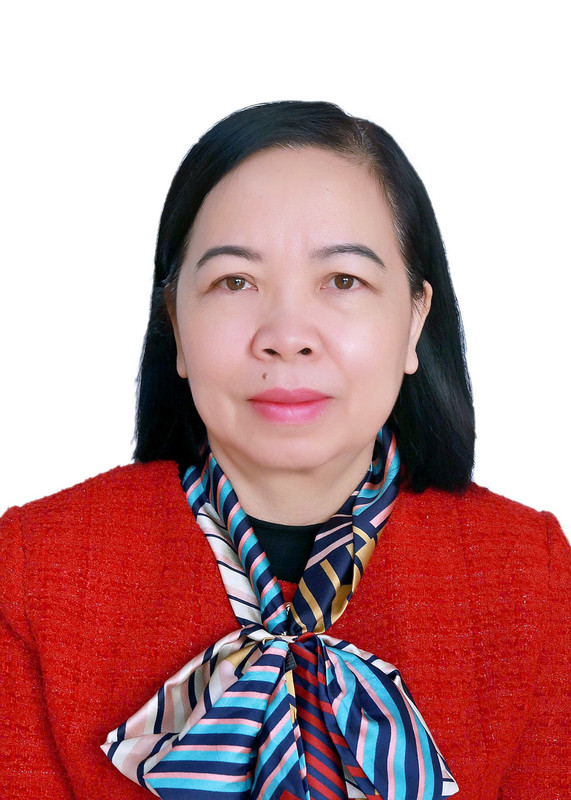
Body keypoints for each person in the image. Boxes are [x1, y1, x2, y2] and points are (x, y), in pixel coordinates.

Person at [1, 101, 568, 800]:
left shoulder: (529, 575)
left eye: (343, 280)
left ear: (415, 318)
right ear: (175, 324)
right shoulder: (34, 569)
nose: (287, 335)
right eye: (234, 282)